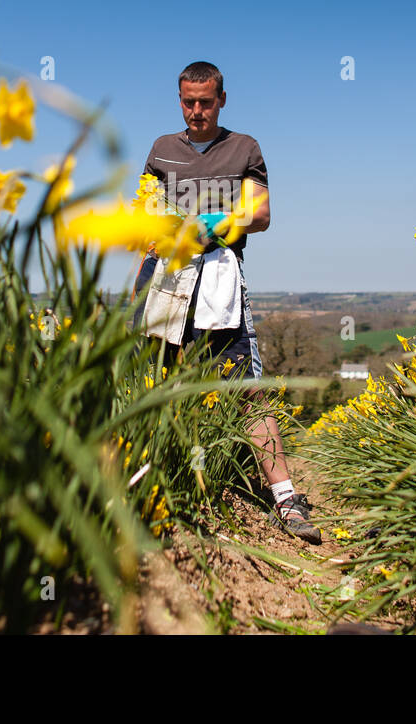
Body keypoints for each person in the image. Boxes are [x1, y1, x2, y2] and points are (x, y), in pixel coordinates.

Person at [134, 61, 321, 544]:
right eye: (188, 102)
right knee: (154, 383)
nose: (197, 111)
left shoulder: (244, 148)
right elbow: (143, 208)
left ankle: (286, 497)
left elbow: (261, 213)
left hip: (219, 275)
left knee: (246, 389)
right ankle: (149, 485)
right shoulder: (161, 149)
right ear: (179, 100)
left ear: (222, 99)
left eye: (206, 102)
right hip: (166, 278)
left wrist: (214, 224)